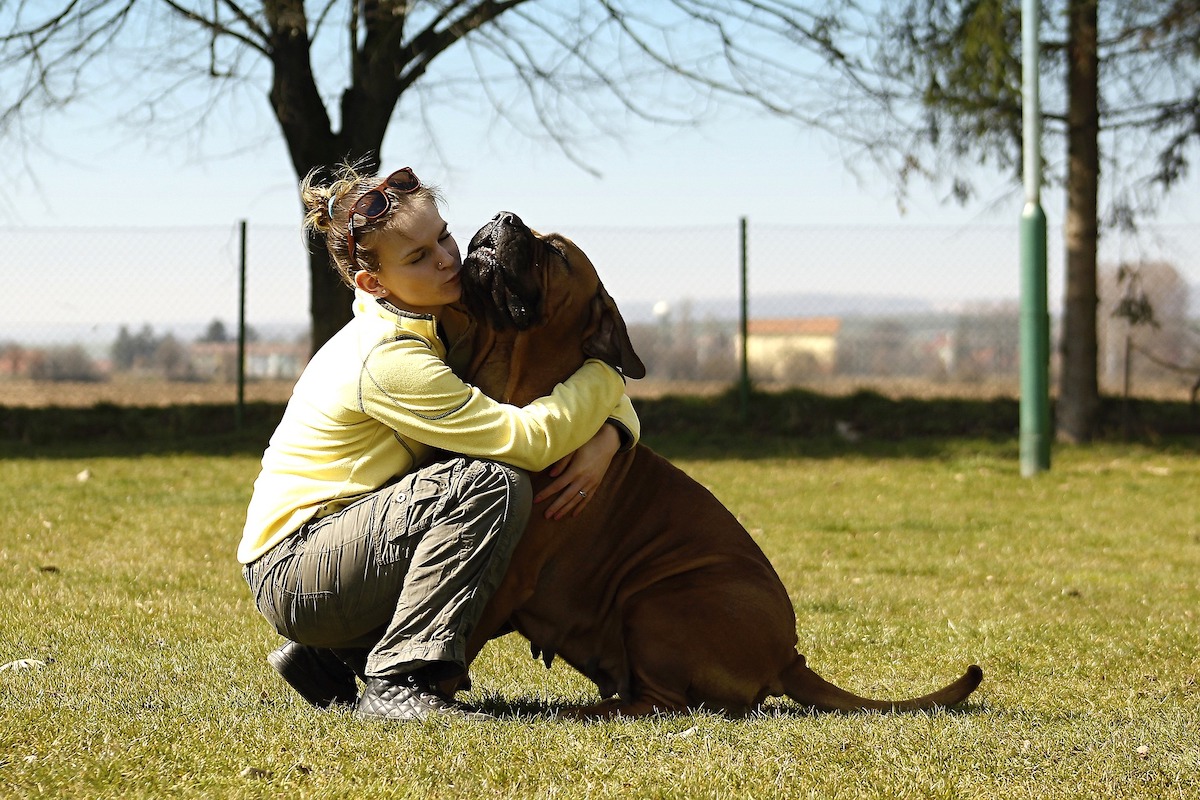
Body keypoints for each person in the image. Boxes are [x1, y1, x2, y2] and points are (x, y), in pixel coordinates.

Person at [238, 162, 639, 722]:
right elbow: (525, 441)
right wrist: (608, 377)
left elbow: (554, 360)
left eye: (444, 236)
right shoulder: (387, 357)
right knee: (489, 486)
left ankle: (329, 659)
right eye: (418, 257)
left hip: (340, 545)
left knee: (474, 482)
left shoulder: (439, 309)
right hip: (297, 568)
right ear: (372, 283)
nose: (447, 258)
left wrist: (616, 432)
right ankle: (397, 681)